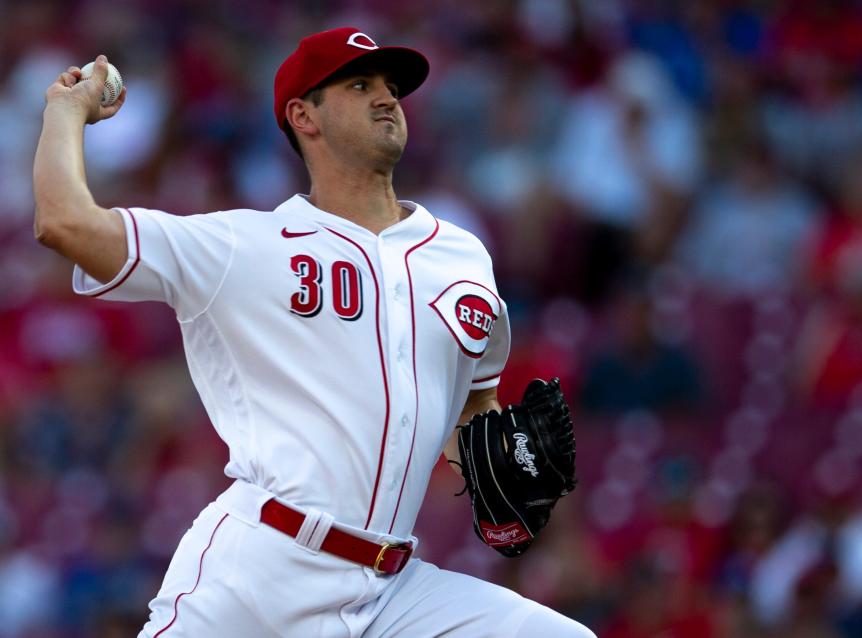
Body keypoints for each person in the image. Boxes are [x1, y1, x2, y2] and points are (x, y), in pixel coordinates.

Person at [33, 27, 595, 638]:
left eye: (391, 87)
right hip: (259, 574)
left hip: (392, 589)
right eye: (360, 85)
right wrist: (65, 111)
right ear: (304, 115)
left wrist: (497, 457)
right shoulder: (244, 246)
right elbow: (65, 223)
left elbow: (474, 404)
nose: (387, 98)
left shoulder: (462, 258)